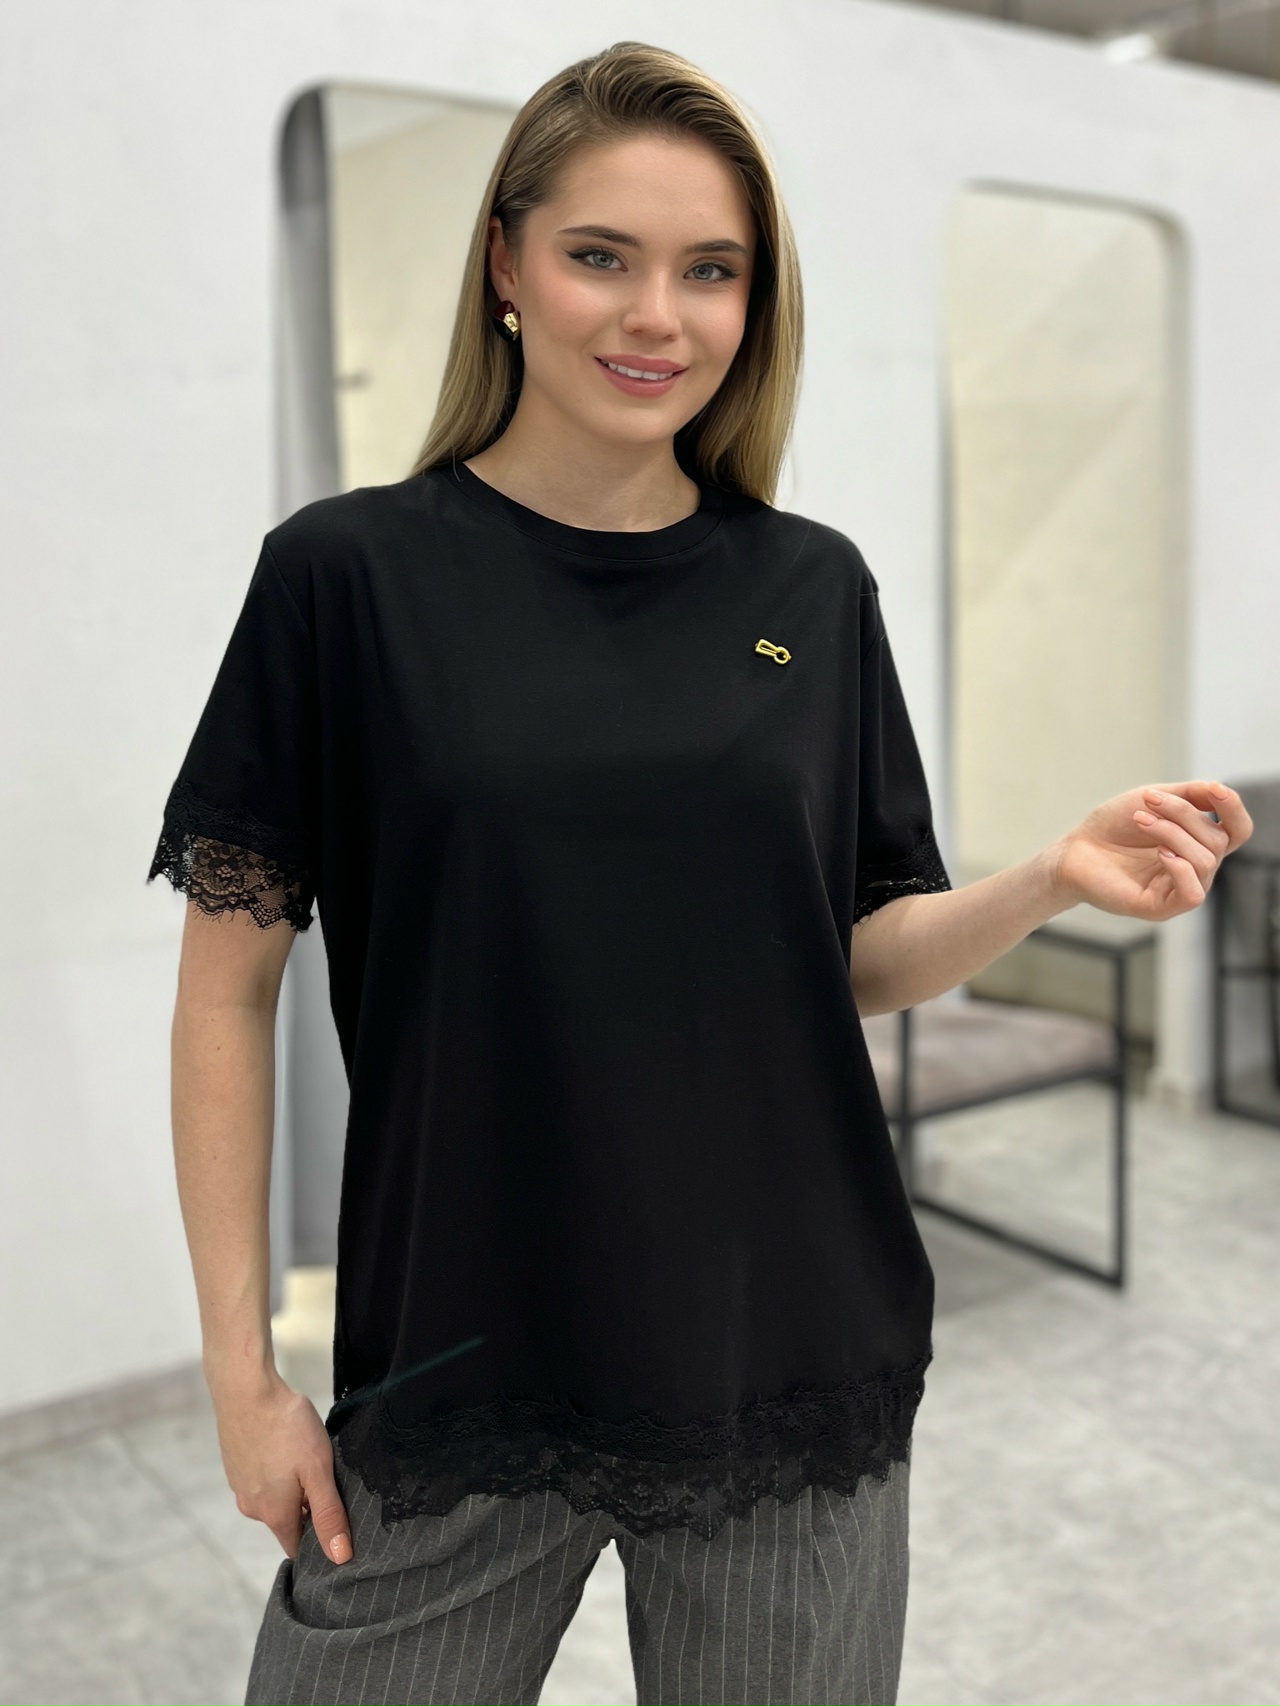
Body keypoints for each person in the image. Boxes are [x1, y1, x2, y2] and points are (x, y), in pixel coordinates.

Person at [147, 40, 1253, 1706]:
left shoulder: (811, 587)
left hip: (785, 1354)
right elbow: (226, 995)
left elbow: (853, 950)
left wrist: (1049, 875)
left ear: (755, 299)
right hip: (457, 1363)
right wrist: (242, 1375)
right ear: (506, 264)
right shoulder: (344, 580)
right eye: (602, 255)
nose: (656, 315)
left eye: (710, 270)